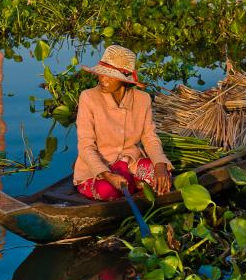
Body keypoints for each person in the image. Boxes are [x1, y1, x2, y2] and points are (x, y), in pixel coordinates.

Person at [74, 45, 172, 201]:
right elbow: (86, 146)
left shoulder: (142, 99)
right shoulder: (88, 97)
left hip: (130, 162)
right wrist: (108, 175)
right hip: (99, 170)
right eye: (101, 74)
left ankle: (132, 181)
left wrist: (160, 165)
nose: (102, 79)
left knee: (163, 177)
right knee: (108, 191)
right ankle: (133, 184)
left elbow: (149, 137)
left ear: (124, 79)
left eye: (109, 76)